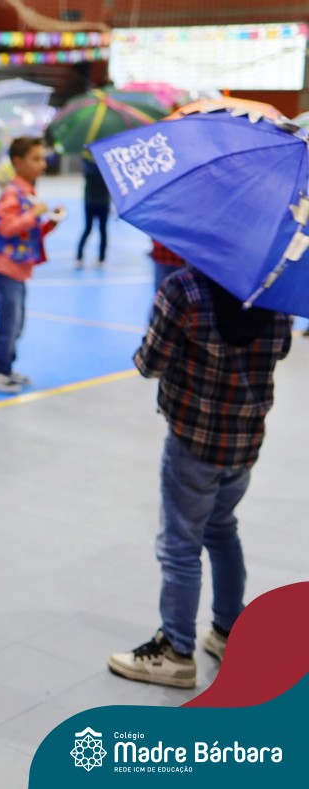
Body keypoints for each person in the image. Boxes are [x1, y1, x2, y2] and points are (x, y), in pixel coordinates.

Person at [108, 267, 292, 689]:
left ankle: (175, 651)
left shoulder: (184, 288)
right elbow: (280, 350)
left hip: (193, 441)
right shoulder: (274, 292)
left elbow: (150, 364)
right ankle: (229, 630)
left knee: (180, 545)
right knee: (222, 529)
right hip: (245, 441)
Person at [0, 136, 61, 394]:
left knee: (16, 323)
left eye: (42, 158)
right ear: (18, 162)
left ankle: (5, 368)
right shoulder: (12, 193)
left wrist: (49, 223)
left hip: (17, 270)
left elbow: (28, 234)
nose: (43, 164)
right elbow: (6, 228)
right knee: (8, 323)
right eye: (36, 159)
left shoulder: (27, 192)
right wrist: (33, 214)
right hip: (3, 268)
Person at [76, 154, 111, 267]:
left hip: (94, 202)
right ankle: (99, 257)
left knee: (91, 229)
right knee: (99, 230)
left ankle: (81, 256)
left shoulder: (90, 168)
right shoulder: (106, 169)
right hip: (98, 202)